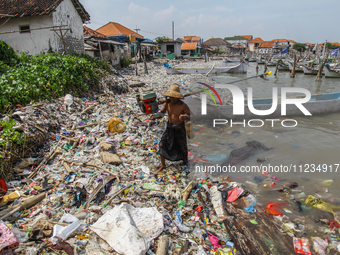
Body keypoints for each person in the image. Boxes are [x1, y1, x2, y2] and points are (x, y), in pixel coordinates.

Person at [155, 85, 193, 173]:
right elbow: (162, 113)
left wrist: (185, 117)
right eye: (170, 96)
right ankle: (163, 165)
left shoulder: (183, 105)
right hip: (169, 128)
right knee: (162, 145)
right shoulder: (167, 103)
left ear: (177, 97)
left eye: (174, 97)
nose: (172, 98)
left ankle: (185, 163)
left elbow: (193, 116)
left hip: (180, 129)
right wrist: (155, 116)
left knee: (182, 148)